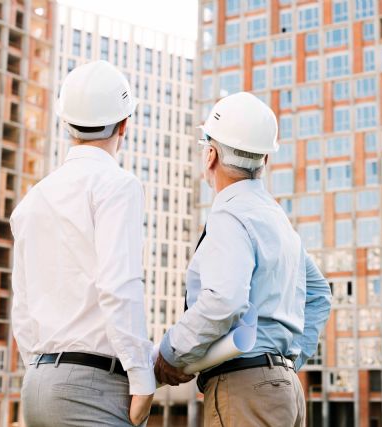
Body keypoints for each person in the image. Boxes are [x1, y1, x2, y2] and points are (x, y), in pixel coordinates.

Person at [154, 92, 332, 426]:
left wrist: (170, 353)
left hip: (244, 388)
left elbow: (224, 299)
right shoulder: (277, 219)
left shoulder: (230, 215)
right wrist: (286, 363)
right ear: (265, 160)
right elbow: (320, 295)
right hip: (285, 389)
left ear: (210, 155)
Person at [10, 60, 154, 426]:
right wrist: (142, 378)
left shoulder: (34, 198)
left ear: (66, 124)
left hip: (38, 384)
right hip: (92, 386)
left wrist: (42, 371)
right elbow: (119, 286)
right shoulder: (117, 186)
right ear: (125, 125)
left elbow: (22, 308)